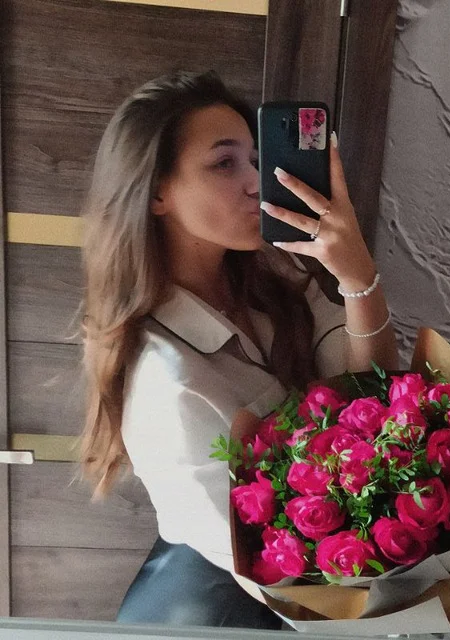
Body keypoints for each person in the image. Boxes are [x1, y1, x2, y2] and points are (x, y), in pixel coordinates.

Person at [79, 69, 398, 628]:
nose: (256, 182)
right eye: (224, 164)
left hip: (324, 580)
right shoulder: (166, 381)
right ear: (157, 191)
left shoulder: (275, 276)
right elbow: (276, 572)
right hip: (230, 609)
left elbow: (371, 398)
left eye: (255, 158)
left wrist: (357, 278)